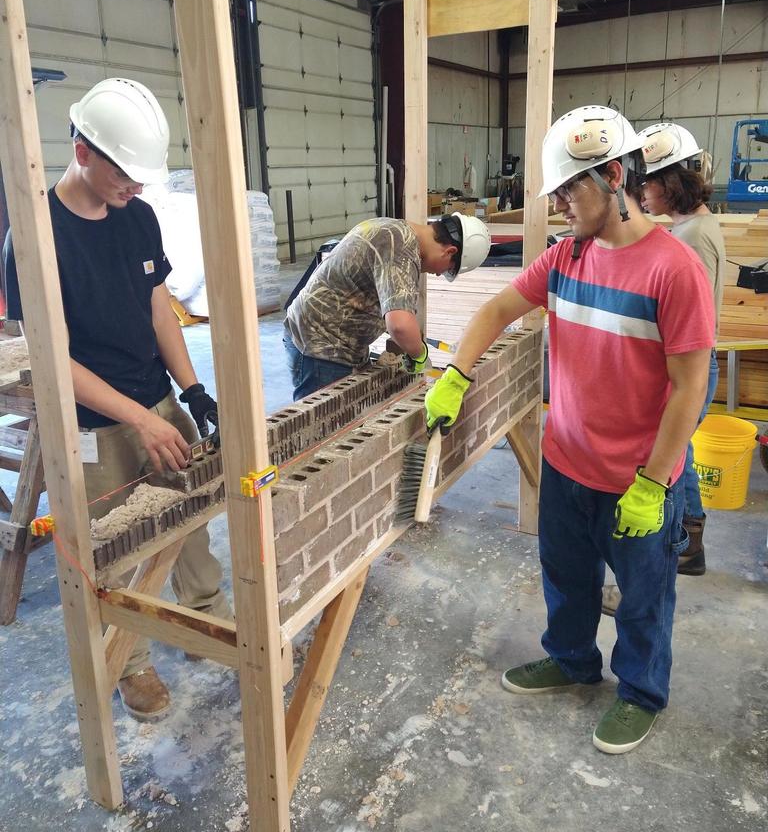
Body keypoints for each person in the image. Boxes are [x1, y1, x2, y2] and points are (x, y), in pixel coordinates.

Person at [424, 106, 715, 754]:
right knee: (567, 578)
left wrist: (653, 481)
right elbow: (499, 307)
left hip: (636, 479)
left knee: (642, 598)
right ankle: (572, 660)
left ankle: (640, 692)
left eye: (567, 189)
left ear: (614, 175)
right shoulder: (566, 257)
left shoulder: (674, 270)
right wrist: (456, 375)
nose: (558, 205)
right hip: (567, 462)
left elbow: (691, 386)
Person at [4, 78, 231, 721]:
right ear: (82, 149)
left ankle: (206, 618)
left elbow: (157, 304)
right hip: (92, 424)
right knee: (116, 546)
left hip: (154, 398)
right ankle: (130, 663)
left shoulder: (138, 216)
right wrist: (137, 420)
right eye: (124, 174)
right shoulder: (36, 234)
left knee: (188, 522)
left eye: (140, 177)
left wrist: (190, 391)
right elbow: (52, 358)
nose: (135, 187)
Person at [637, 122, 725, 574]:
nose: (643, 193)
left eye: (648, 182)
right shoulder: (694, 226)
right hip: (692, 361)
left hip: (690, 365)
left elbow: (694, 323)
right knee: (681, 449)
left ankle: (682, 544)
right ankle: (690, 546)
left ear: (670, 183)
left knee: (671, 452)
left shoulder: (690, 237)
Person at [283, 213, 491, 399]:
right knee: (323, 432)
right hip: (322, 346)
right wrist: (420, 355)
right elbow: (399, 325)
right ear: (449, 252)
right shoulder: (399, 246)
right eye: (448, 269)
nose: (438, 273)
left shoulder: (396, 232)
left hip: (336, 342)